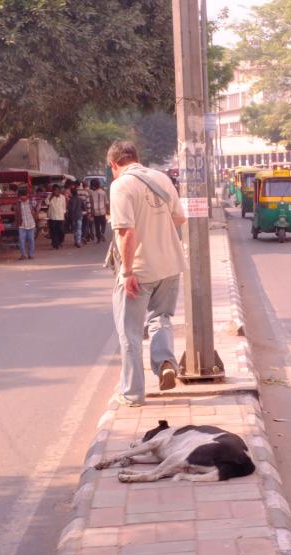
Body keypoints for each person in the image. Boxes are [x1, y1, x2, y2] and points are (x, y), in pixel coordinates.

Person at [107, 140, 186, 407]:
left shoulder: (120, 185)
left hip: (139, 270)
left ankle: (132, 394)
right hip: (170, 265)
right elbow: (178, 218)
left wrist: (127, 271)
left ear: (114, 165)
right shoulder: (162, 178)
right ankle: (165, 361)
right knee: (161, 317)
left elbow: (126, 231)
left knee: (129, 333)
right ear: (137, 158)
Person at [16, 192, 38, 259]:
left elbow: (37, 207)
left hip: (31, 224)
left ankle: (31, 254)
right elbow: (16, 213)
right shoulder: (18, 204)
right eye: (21, 196)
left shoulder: (31, 202)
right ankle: (23, 254)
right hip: (22, 225)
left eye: (24, 196)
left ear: (27, 195)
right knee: (21, 240)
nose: (23, 197)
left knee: (31, 240)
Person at [47, 184, 66, 249]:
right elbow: (47, 203)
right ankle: (55, 244)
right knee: (53, 231)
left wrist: (64, 215)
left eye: (58, 190)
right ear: (53, 191)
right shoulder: (50, 196)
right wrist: (51, 197)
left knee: (61, 230)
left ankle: (60, 241)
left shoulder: (63, 197)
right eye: (55, 190)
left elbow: (64, 207)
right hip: (52, 216)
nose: (56, 191)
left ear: (59, 190)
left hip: (60, 216)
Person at [91, 178, 108, 243]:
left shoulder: (92, 193)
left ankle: (98, 239)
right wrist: (107, 210)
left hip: (95, 212)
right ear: (99, 185)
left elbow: (91, 203)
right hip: (102, 211)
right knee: (103, 223)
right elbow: (106, 202)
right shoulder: (103, 192)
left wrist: (92, 212)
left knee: (97, 225)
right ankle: (102, 232)